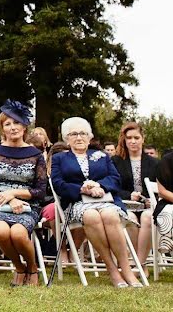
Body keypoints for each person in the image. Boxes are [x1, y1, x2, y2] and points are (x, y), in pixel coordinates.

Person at [51, 116, 143, 288]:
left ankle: (126, 269)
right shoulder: (59, 159)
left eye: (83, 133)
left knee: (109, 215)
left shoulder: (101, 156)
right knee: (92, 216)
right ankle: (112, 270)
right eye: (74, 134)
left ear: (90, 136)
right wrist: (82, 189)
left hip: (106, 200)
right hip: (77, 203)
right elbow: (58, 184)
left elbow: (115, 179)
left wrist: (100, 186)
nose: (79, 137)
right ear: (66, 138)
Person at [0, 100, 46, 287]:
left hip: (27, 205)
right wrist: (4, 197)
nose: (12, 127)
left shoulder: (36, 155)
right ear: (2, 128)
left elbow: (40, 191)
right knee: (1, 231)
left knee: (18, 234)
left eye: (16, 122)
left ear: (24, 125)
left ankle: (32, 268)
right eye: (7, 124)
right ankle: (19, 267)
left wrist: (14, 193)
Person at [112, 122, 159, 267]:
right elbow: (112, 188)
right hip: (125, 204)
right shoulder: (116, 161)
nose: (132, 141)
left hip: (148, 206)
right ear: (124, 140)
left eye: (136, 138)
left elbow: (161, 187)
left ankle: (140, 263)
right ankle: (136, 263)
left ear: (142, 139)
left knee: (147, 218)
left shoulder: (155, 163)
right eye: (129, 138)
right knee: (131, 219)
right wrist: (128, 195)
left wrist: (153, 199)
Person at [154, 151, 173, 254]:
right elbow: (162, 192)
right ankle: (167, 237)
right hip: (169, 202)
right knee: (169, 212)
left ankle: (168, 239)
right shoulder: (167, 160)